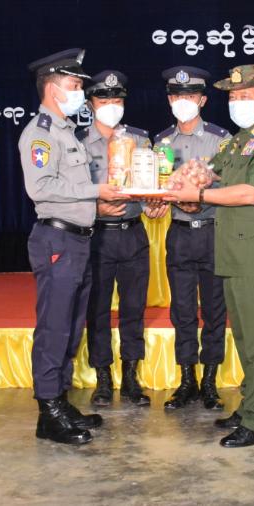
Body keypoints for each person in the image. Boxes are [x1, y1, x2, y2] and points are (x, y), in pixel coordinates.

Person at [164, 64, 254, 448]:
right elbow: (211, 170)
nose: (237, 103)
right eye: (233, 97)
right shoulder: (241, 140)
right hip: (235, 253)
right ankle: (251, 404)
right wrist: (190, 176)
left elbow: (250, 194)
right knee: (245, 337)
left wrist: (197, 195)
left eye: (245, 97)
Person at [19, 48, 125, 445]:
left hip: (79, 239)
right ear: (52, 88)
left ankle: (60, 402)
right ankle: (48, 409)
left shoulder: (65, 132)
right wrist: (96, 191)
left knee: (71, 325)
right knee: (54, 326)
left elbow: (72, 189)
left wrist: (97, 203)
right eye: (74, 84)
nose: (80, 91)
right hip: (57, 239)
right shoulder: (41, 133)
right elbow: (41, 187)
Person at [78, 70, 169, 407]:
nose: (112, 105)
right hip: (96, 236)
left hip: (132, 234)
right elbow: (70, 191)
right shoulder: (77, 142)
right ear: (91, 104)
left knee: (133, 308)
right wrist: (95, 208)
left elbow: (150, 187)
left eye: (117, 100)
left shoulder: (140, 141)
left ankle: (131, 376)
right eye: (104, 100)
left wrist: (153, 206)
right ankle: (103, 378)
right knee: (97, 309)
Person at [154, 66, 231, 411]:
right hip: (180, 234)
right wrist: (157, 202)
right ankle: (187, 381)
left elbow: (232, 184)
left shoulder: (221, 139)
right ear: (170, 100)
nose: (183, 101)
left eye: (190, 96)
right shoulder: (161, 143)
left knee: (215, 310)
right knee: (182, 311)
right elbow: (155, 186)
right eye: (177, 96)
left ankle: (210, 382)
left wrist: (201, 191)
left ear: (202, 100)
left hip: (213, 231)